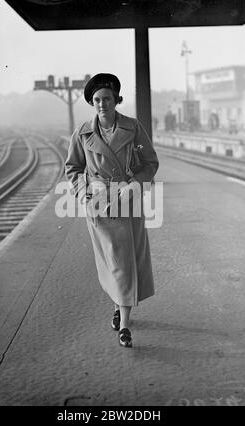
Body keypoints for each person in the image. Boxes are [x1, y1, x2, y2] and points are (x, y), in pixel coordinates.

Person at [65, 73, 159, 348]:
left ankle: (125, 325)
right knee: (112, 262)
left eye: (107, 98)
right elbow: (72, 169)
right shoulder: (82, 133)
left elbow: (149, 162)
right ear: (92, 103)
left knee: (125, 261)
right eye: (96, 100)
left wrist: (135, 184)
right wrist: (84, 194)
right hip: (99, 205)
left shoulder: (133, 128)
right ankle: (119, 307)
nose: (102, 104)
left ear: (116, 100)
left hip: (127, 200)